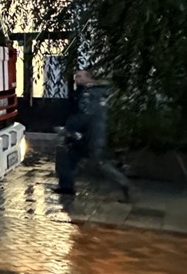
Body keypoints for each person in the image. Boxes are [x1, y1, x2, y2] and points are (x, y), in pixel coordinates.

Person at [55, 67, 131, 202]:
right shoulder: (97, 92)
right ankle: (66, 187)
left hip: (92, 135)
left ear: (88, 78)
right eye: (76, 76)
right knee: (69, 158)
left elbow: (84, 116)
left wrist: (68, 129)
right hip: (89, 134)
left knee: (100, 163)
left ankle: (124, 184)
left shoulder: (89, 94)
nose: (76, 79)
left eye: (79, 76)